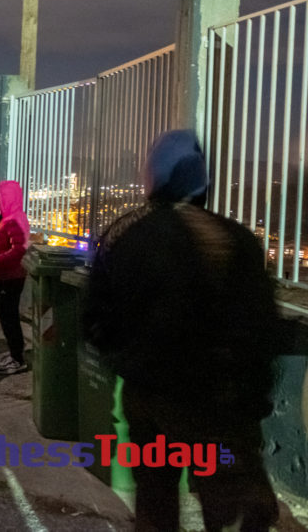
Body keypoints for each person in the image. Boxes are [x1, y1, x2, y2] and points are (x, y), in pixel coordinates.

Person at [84, 130, 279, 531]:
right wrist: (251, 395)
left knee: (154, 497)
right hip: (217, 401)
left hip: (146, 394)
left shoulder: (122, 235)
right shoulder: (234, 239)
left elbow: (95, 319)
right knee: (230, 504)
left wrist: (128, 362)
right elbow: (260, 328)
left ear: (153, 178)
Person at [0, 179, 30, 375]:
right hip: (7, 275)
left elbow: (19, 249)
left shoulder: (13, 220)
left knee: (9, 317)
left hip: (10, 277)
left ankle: (17, 359)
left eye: (0, 196)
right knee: (7, 317)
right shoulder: (12, 217)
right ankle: (15, 353)